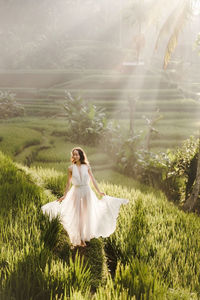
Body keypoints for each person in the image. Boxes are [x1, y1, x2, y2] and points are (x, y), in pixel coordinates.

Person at [41, 147, 128, 247]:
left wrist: (99, 191)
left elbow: (93, 179)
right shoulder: (70, 168)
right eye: (73, 154)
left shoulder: (86, 166)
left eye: (77, 154)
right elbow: (68, 183)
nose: (75, 156)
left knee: (86, 214)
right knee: (78, 215)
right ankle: (80, 239)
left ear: (81, 155)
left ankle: (85, 236)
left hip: (87, 192)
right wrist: (64, 195)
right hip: (76, 192)